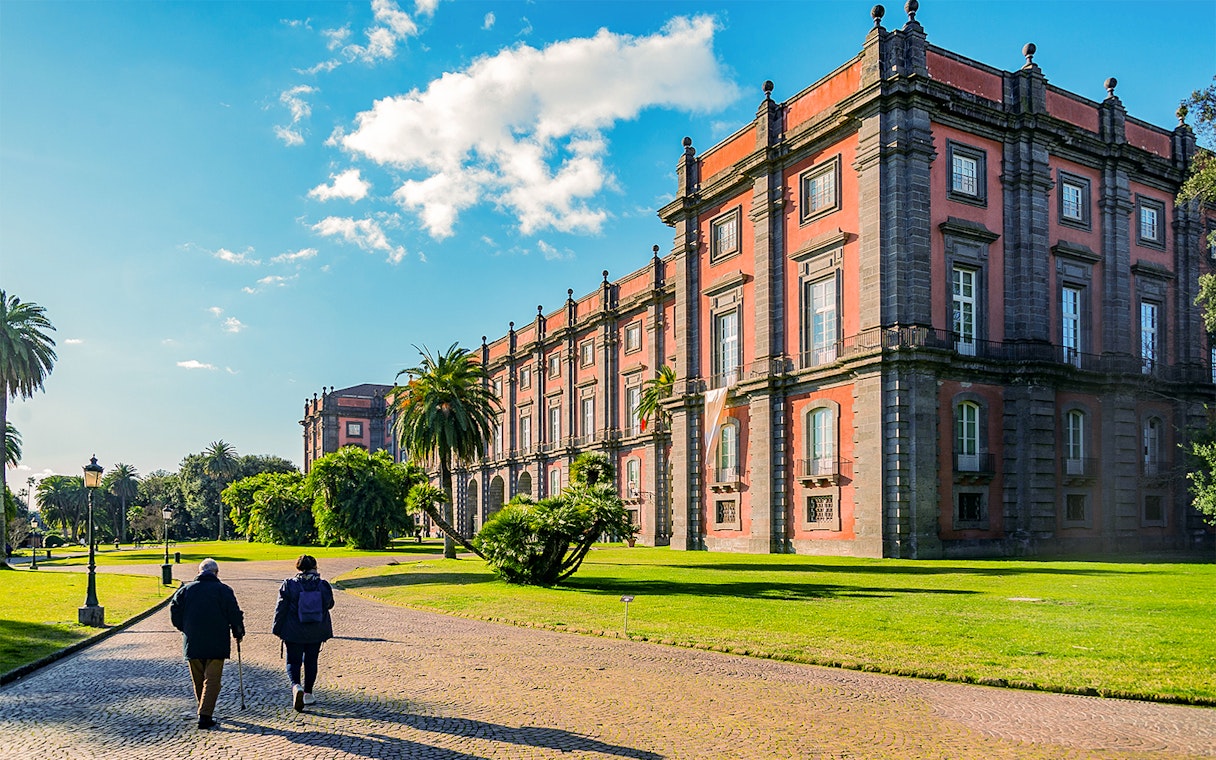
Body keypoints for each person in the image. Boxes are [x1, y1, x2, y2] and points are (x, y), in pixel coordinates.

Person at [169, 558, 245, 730]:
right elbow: (234, 613)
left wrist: (184, 627)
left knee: (199, 679)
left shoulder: (185, 590)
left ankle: (203, 710)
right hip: (217, 641)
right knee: (212, 680)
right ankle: (204, 715)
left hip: (193, 640)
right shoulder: (224, 590)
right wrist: (238, 632)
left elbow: (174, 611)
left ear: (199, 572)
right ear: (216, 573)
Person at [272, 554, 335, 712]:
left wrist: (277, 628)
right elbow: (329, 604)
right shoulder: (323, 585)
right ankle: (308, 693)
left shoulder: (289, 584)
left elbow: (281, 608)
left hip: (293, 630)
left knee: (293, 661)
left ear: (298, 567)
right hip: (316, 630)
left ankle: (296, 686)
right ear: (315, 567)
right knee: (311, 661)